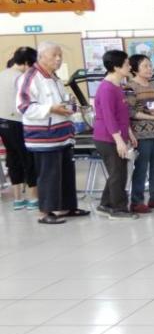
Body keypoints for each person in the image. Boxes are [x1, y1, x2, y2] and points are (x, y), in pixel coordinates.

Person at [17, 42, 89, 224]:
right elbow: (24, 106)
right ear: (41, 57)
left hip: (62, 134)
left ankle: (66, 207)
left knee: (66, 173)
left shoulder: (54, 77)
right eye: (54, 55)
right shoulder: (30, 77)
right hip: (44, 137)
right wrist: (52, 109)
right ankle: (45, 212)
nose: (58, 59)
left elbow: (60, 101)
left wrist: (68, 104)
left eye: (60, 55)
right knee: (49, 175)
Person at [93, 50, 138, 219]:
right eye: (126, 64)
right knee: (118, 173)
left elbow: (121, 114)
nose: (129, 66)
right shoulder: (106, 88)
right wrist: (119, 141)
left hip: (117, 135)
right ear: (116, 67)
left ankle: (105, 205)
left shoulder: (117, 86)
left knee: (116, 172)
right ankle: (118, 209)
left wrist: (129, 133)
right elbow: (109, 117)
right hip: (108, 137)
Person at [126, 54, 154, 213]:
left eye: (150, 66)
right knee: (141, 168)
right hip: (141, 135)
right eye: (145, 66)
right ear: (134, 68)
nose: (149, 69)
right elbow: (130, 112)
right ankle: (137, 201)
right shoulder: (130, 87)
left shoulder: (153, 86)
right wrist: (152, 116)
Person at [0, 47, 39, 210]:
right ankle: (33, 198)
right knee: (28, 159)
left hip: (2, 122)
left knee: (13, 158)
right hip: (18, 122)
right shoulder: (21, 78)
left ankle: (17, 199)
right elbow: (29, 102)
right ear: (26, 63)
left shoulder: (2, 74)